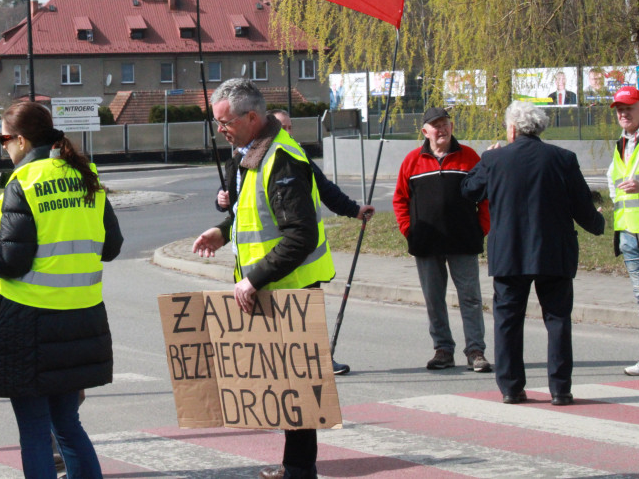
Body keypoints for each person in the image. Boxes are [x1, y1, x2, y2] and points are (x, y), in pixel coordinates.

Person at [0, 101, 123, 479]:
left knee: (35, 430)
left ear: (20, 140)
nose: (3, 146)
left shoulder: (25, 182)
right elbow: (112, 246)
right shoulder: (87, 175)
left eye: (4, 139)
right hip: (82, 319)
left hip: (30, 322)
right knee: (67, 423)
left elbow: (12, 264)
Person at [192, 79, 334, 479]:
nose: (220, 129)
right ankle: (293, 467)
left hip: (291, 290)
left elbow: (300, 235)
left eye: (224, 122)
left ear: (251, 117)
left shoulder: (281, 159)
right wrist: (223, 230)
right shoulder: (253, 152)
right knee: (285, 384)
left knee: (298, 388)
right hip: (273, 289)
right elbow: (253, 212)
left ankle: (299, 471)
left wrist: (253, 278)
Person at [461, 101, 604, 406]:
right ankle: (560, 389)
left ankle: (512, 388)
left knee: (508, 322)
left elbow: (469, 190)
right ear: (540, 128)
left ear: (511, 129)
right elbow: (582, 205)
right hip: (554, 252)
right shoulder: (563, 158)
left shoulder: (494, 159)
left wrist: (485, 158)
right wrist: (599, 225)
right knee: (557, 320)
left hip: (509, 255)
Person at [219, 108, 375, 376]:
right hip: (259, 267)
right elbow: (241, 208)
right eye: (283, 126)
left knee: (301, 347)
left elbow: (324, 190)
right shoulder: (239, 158)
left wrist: (353, 209)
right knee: (278, 353)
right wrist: (221, 228)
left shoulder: (288, 156)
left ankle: (318, 363)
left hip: (292, 264)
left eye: (290, 127)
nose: (288, 132)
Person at [393, 107, 491, 372]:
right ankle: (443, 350)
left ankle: (475, 351)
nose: (442, 129)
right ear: (425, 131)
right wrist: (408, 230)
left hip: (464, 242)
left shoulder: (469, 157)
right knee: (434, 299)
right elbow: (400, 199)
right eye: (436, 125)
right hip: (426, 243)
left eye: (445, 124)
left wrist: (481, 228)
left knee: (470, 298)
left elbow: (486, 197)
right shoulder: (412, 160)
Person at [604, 86, 639, 376]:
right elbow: (613, 181)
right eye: (619, 109)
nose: (622, 113)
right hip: (629, 234)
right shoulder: (622, 142)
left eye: (629, 107)